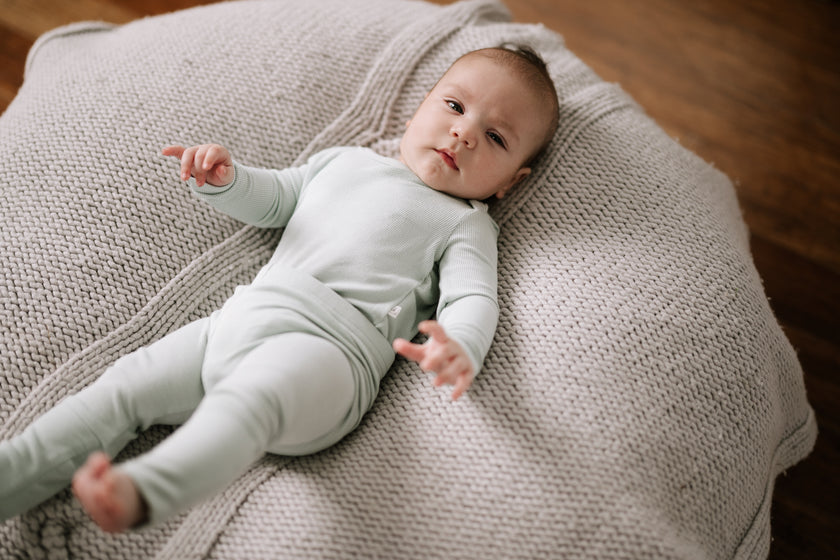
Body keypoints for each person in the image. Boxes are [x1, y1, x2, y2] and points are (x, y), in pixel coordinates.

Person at [0, 45, 560, 532]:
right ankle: (13, 474)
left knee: (249, 402)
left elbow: (473, 298)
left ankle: (147, 491)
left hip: (329, 357)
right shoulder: (345, 161)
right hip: (241, 318)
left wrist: (459, 345)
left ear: (510, 182)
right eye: (455, 107)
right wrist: (227, 180)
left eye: (494, 137)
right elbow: (275, 199)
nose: (462, 133)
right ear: (421, 107)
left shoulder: (465, 221)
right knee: (123, 387)